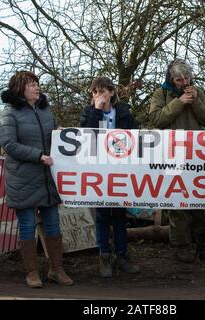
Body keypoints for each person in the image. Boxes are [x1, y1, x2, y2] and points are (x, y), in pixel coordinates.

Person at [0, 71, 73, 288]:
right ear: (20, 88)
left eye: (37, 84)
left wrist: (61, 134)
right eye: (31, 84)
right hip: (23, 178)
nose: (37, 88)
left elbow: (52, 135)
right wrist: (38, 156)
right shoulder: (9, 114)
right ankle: (32, 272)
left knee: (53, 224)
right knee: (27, 225)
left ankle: (56, 270)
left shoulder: (45, 111)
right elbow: (9, 145)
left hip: (47, 178)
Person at [149, 59, 205, 263]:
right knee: (178, 201)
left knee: (202, 199)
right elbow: (156, 120)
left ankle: (203, 245)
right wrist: (179, 103)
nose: (184, 82)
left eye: (186, 78)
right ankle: (181, 246)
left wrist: (195, 100)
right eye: (179, 79)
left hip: (198, 154)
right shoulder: (161, 94)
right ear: (171, 78)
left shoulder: (198, 92)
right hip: (172, 154)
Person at [80, 76, 141, 278]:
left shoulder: (123, 112)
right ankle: (104, 255)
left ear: (112, 92)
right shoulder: (89, 112)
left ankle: (122, 255)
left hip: (121, 169)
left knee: (120, 215)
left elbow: (135, 137)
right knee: (103, 215)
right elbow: (86, 137)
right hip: (98, 170)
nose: (100, 95)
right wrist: (97, 111)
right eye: (96, 92)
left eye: (103, 91)